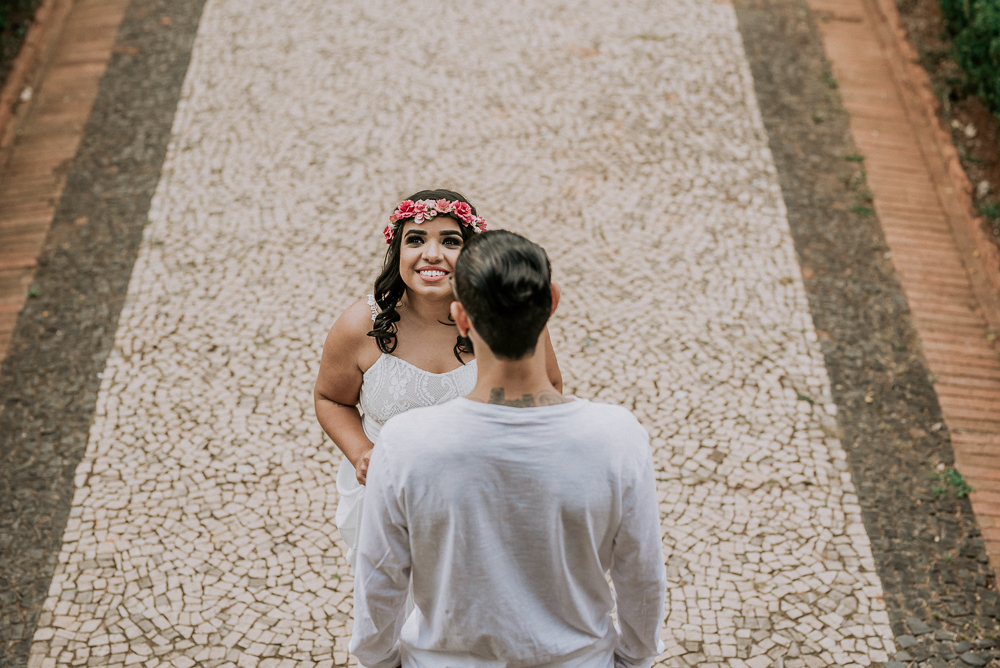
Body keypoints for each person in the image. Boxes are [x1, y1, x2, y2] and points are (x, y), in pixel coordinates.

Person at [350, 230, 666, 668]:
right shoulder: (617, 436)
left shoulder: (405, 443)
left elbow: (380, 579)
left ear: (461, 317)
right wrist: (632, 660)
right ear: (552, 301)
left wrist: (381, 661)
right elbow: (642, 573)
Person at [314, 190, 562, 568]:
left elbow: (549, 388)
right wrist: (362, 453)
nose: (431, 254)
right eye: (416, 240)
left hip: (484, 489)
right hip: (393, 494)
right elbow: (332, 399)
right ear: (397, 250)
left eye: (450, 241)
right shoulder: (358, 326)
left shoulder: (506, 319)